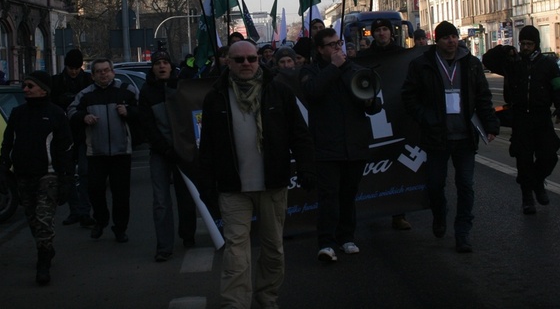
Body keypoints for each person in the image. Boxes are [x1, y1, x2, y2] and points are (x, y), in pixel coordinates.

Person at [199, 40, 315, 309]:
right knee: (236, 252)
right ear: (228, 62)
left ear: (259, 60)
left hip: (272, 185)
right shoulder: (215, 97)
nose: (247, 64)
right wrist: (207, 184)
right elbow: (207, 146)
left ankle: (267, 299)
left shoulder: (278, 91)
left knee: (273, 249)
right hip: (232, 188)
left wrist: (307, 167)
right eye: (239, 60)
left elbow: (299, 134)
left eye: (252, 58)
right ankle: (235, 304)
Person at [401, 21, 499, 253]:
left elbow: (483, 97)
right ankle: (439, 214)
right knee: (435, 184)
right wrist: (426, 117)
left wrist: (491, 124)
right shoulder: (422, 64)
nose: (451, 41)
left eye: (454, 36)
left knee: (465, 185)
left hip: (465, 136)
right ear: (437, 40)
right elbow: (409, 96)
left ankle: (463, 232)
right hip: (437, 136)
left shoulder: (471, 64)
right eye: (446, 37)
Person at [300, 28, 382, 262]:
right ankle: (326, 242)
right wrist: (334, 68)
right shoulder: (310, 71)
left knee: (348, 194)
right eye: (331, 44)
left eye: (339, 43)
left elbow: (373, 106)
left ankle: (347, 237)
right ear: (320, 49)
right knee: (328, 196)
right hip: (326, 146)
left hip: (354, 145)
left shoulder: (353, 69)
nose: (337, 47)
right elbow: (312, 92)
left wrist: (369, 98)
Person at [0, 71, 74, 284]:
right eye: (24, 85)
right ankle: (46, 248)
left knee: (43, 218)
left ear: (43, 89)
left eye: (30, 86)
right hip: (23, 175)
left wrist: (66, 179)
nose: (25, 89)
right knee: (32, 219)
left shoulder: (56, 114)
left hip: (48, 175)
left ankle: (43, 263)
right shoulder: (18, 113)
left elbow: (65, 148)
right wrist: (3, 169)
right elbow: (7, 143)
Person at [482, 25, 560, 214]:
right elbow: (487, 59)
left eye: (529, 44)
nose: (526, 47)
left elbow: (558, 86)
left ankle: (538, 182)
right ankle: (527, 197)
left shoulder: (548, 64)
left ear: (536, 44)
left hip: (541, 116)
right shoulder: (513, 63)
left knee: (549, 154)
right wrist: (504, 49)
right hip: (520, 117)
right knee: (524, 159)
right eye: (522, 43)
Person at [67, 58, 139, 243]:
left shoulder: (126, 90)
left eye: (106, 70)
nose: (103, 74)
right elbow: (71, 111)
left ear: (112, 72)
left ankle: (120, 228)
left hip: (121, 151)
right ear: (93, 76)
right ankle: (101, 220)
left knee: (121, 194)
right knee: (95, 190)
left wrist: (128, 111)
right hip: (96, 152)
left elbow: (142, 112)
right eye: (99, 71)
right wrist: (84, 117)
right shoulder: (85, 95)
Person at [139, 49, 197, 262]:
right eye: (157, 63)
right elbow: (147, 125)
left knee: (186, 196)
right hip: (160, 153)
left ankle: (188, 234)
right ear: (152, 67)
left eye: (165, 62)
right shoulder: (147, 92)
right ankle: (164, 246)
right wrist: (164, 148)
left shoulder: (180, 87)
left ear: (171, 66)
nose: (162, 66)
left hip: (183, 151)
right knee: (161, 200)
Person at [357, 19, 411, 231]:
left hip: (396, 115)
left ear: (391, 32)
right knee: (372, 166)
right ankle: (370, 207)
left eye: (384, 30)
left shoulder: (401, 54)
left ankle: (399, 213)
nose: (381, 33)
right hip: (372, 117)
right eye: (377, 30)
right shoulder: (364, 57)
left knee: (397, 165)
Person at [51, 48, 95, 228]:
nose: (74, 71)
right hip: (64, 135)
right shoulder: (56, 82)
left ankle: (83, 211)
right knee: (67, 174)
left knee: (84, 173)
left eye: (77, 68)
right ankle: (75, 210)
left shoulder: (87, 80)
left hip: (84, 133)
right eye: (71, 68)